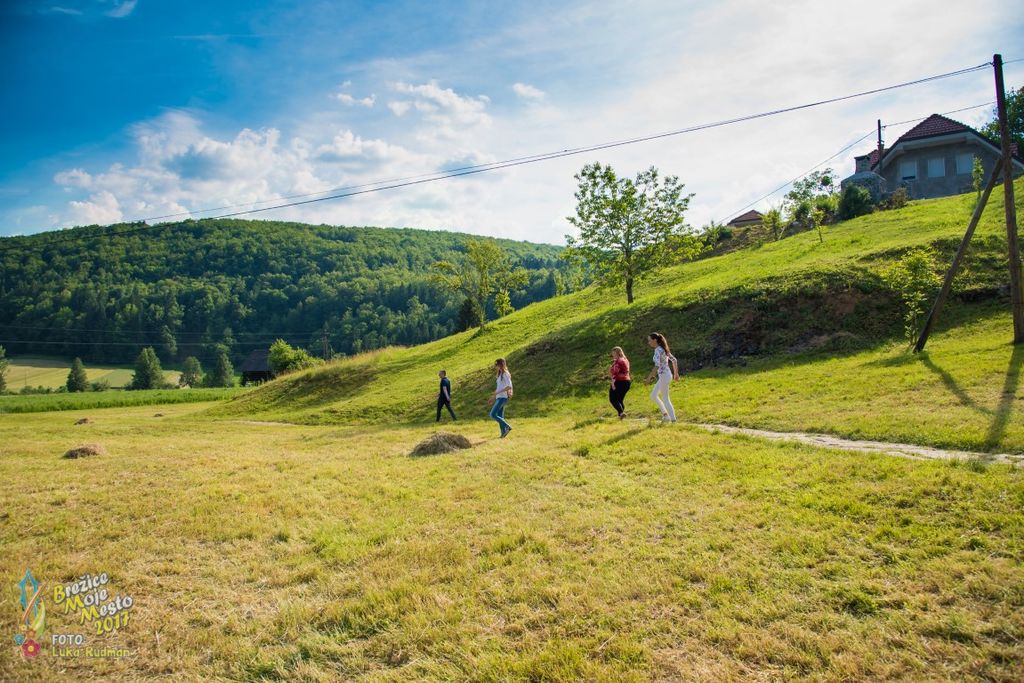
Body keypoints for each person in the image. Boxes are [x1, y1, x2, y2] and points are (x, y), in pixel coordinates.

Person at [645, 332, 679, 422]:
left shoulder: (658, 350)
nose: (649, 342)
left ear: (655, 340)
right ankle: (666, 416)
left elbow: (657, 366)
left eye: (649, 340)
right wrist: (676, 374)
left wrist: (649, 378)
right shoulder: (663, 349)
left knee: (665, 398)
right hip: (666, 375)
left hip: (664, 376)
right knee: (653, 395)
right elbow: (674, 360)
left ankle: (673, 420)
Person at [487, 358, 513, 437]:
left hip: (503, 398)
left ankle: (507, 426)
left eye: (496, 365)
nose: (495, 366)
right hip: (499, 397)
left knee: (492, 414)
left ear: (500, 365)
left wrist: (498, 392)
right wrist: (493, 397)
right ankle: (503, 433)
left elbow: (509, 386)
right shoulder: (500, 374)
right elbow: (499, 387)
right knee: (500, 416)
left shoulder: (505, 374)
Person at [608, 346, 631, 419]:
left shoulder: (618, 361)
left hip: (619, 382)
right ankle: (621, 416)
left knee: (613, 399)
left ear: (618, 353)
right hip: (627, 382)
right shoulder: (626, 360)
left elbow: (615, 373)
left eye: (614, 353)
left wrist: (612, 383)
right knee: (619, 400)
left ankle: (621, 413)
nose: (613, 355)